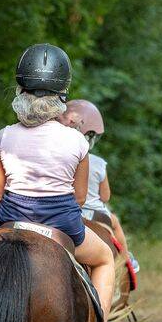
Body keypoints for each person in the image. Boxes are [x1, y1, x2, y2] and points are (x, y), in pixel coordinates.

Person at [0, 43, 121, 322]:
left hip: (12, 216)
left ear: (21, 90)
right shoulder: (76, 140)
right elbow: (78, 196)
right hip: (61, 221)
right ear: (62, 94)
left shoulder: (4, 135)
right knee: (104, 259)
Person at [61, 99, 137, 274]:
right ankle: (127, 259)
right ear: (89, 135)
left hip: (61, 209)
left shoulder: (57, 157)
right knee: (114, 222)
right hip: (92, 213)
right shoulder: (98, 163)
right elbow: (105, 197)